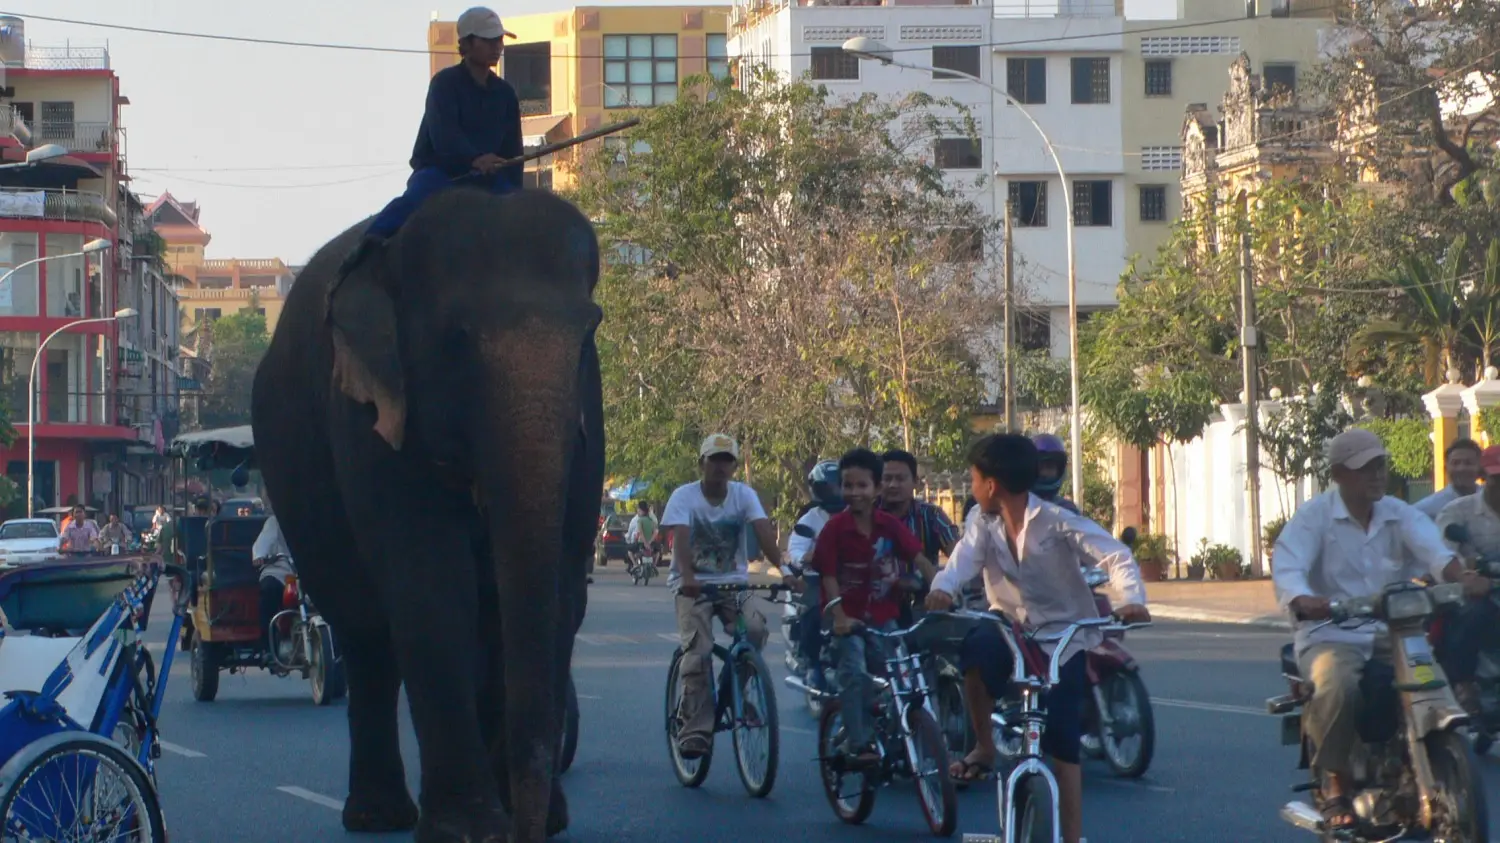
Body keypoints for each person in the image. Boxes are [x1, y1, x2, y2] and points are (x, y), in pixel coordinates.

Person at [924, 434, 1149, 843]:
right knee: (976, 650)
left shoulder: (1057, 521)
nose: (972, 487)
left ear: (992, 484)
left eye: (973, 479)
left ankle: (1071, 837)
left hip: (1064, 637)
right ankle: (985, 746)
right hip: (1009, 628)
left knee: (1063, 739)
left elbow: (1115, 555)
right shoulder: (982, 523)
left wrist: (1131, 599)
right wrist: (943, 589)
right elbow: (961, 563)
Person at [1273, 427, 1487, 832]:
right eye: (1365, 468)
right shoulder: (1314, 518)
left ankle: (1423, 755)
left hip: (1394, 630)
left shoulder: (1398, 512)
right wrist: (1303, 599)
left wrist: (1462, 576)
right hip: (1331, 633)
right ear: (1339, 474)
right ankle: (1335, 782)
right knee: (1337, 686)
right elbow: (1289, 566)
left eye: (1379, 466)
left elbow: (1435, 551)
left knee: (1432, 680)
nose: (1376, 475)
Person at [337, 6, 522, 280]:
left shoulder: (505, 94)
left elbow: (513, 149)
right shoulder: (444, 84)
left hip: (487, 180)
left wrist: (514, 187)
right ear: (467, 44)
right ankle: (366, 249)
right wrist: (474, 159)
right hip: (443, 173)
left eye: (500, 40)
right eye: (489, 40)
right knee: (414, 200)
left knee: (522, 215)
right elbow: (443, 135)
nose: (498, 46)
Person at [662, 433, 784, 760]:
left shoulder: (744, 495)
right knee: (698, 650)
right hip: (693, 587)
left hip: (734, 587)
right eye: (714, 460)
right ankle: (695, 729)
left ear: (733, 467)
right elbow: (681, 539)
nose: (720, 467)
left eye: (726, 461)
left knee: (754, 630)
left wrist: (785, 570)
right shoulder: (684, 497)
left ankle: (737, 694)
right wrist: (688, 577)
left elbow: (762, 531)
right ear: (701, 463)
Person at [815, 448, 934, 764]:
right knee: (854, 672)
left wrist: (942, 590)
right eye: (848, 485)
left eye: (862, 485)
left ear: (877, 489)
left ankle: (902, 737)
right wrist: (839, 617)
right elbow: (828, 576)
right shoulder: (834, 529)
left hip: (884, 617)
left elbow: (920, 560)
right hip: (846, 619)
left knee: (903, 675)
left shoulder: (889, 525)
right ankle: (859, 744)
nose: (855, 492)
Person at [1433, 444, 1500, 718]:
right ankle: (1464, 684)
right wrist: (1468, 573)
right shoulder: (1457, 512)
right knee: (1473, 612)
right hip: (1471, 593)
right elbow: (1442, 556)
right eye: (1497, 478)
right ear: (1484, 476)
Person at [879, 448, 959, 623]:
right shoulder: (865, 516)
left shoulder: (932, 515)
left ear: (915, 483)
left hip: (925, 606)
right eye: (887, 478)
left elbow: (959, 559)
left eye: (900, 479)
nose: (893, 485)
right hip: (876, 606)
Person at [782, 460, 843, 681]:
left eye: (838, 486)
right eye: (828, 487)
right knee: (815, 614)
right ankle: (812, 662)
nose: (834, 492)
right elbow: (796, 550)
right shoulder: (810, 518)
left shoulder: (857, 514)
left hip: (852, 579)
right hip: (818, 580)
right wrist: (808, 557)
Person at [252, 511, 297, 662]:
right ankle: (267, 646)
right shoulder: (275, 522)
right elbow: (264, 541)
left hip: (303, 571)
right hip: (278, 568)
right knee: (268, 590)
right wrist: (260, 556)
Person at [1415, 438, 1483, 519]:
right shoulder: (1425, 510)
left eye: (1468, 463)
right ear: (1445, 468)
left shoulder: (1492, 502)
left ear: (1480, 467)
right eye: (1455, 463)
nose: (1461, 468)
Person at [1031, 433, 1081, 514]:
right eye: (1040, 467)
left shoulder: (1068, 509)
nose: (1044, 473)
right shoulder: (1019, 506)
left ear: (1060, 470)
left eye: (1049, 467)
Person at [625, 500, 659, 565]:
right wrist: (649, 542)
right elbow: (656, 532)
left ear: (642, 511)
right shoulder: (652, 520)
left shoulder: (639, 520)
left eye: (638, 510)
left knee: (629, 551)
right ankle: (654, 565)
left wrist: (645, 543)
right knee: (657, 552)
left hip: (641, 544)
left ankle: (635, 565)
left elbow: (641, 533)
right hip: (651, 544)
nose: (637, 511)